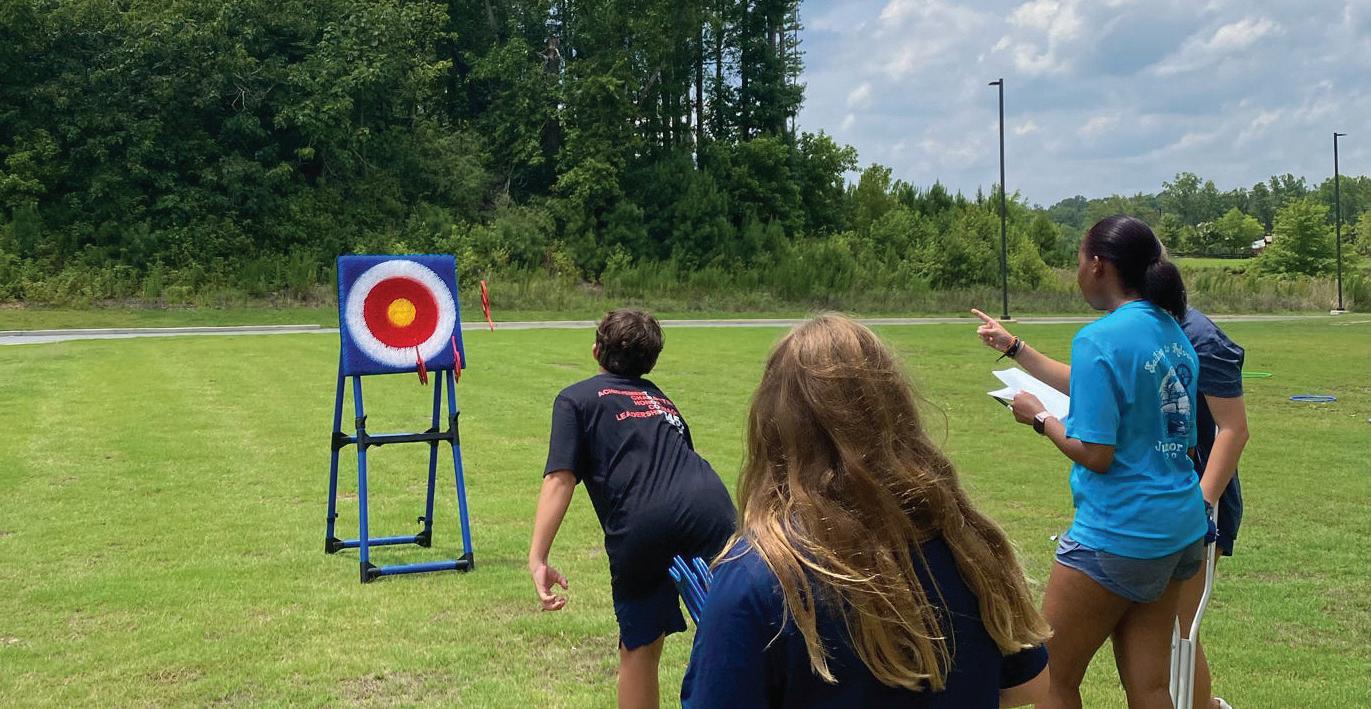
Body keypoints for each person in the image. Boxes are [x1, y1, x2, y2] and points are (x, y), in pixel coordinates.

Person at [681, 314, 1052, 708]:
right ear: (895, 411)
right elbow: (1029, 685)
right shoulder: (965, 543)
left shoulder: (758, 576)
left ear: (771, 424)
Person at [972, 214, 1209, 709]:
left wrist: (1040, 419)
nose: (1077, 271)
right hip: (1179, 528)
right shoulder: (1172, 330)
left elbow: (1096, 455)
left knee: (1052, 679)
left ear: (1098, 265)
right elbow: (1108, 392)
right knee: (1150, 686)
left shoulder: (1099, 338)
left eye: (1078, 260)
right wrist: (1015, 348)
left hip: (1119, 532)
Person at [528, 309, 735, 709]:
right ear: (650, 361)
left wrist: (538, 558)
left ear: (596, 350)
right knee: (737, 630)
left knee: (640, 646)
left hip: (643, 521)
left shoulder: (574, 399)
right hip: (711, 507)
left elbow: (560, 478)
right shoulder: (659, 397)